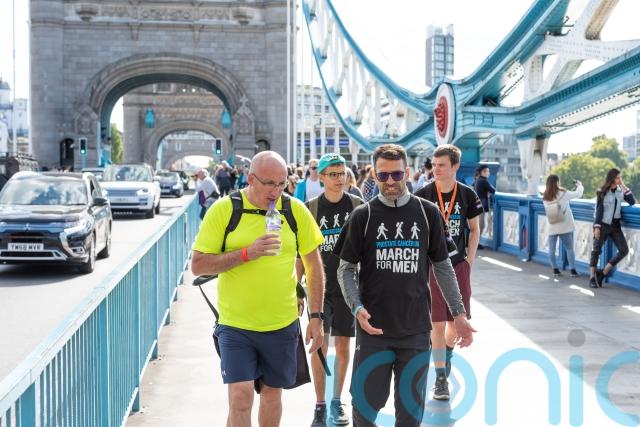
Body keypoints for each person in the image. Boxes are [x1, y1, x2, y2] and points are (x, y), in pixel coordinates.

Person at [334, 144, 476, 427]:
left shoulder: (428, 212)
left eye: (396, 175)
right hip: (373, 331)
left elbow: (443, 267)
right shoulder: (363, 216)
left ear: (407, 173)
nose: (390, 182)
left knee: (410, 416)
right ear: (374, 175)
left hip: (415, 331)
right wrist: (356, 307)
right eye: (383, 175)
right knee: (363, 409)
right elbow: (346, 269)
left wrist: (459, 314)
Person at [191, 151, 326, 427]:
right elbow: (198, 265)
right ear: (251, 179)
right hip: (236, 325)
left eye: (282, 183)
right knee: (239, 398)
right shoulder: (225, 210)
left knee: (272, 395)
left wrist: (316, 317)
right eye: (269, 184)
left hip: (281, 323)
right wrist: (245, 254)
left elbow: (314, 266)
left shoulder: (294, 210)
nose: (276, 191)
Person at [414, 144, 482, 401]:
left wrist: (469, 260)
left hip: (457, 265)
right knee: (437, 323)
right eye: (433, 164)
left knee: (455, 325)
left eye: (441, 165)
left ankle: (447, 355)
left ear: (455, 166)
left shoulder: (467, 194)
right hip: (432, 266)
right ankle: (441, 378)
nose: (436, 169)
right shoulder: (423, 195)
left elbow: (474, 229)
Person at [298, 153, 362, 427]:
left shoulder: (357, 205)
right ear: (321, 177)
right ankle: (320, 404)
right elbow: (300, 254)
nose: (339, 179)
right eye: (333, 174)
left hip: (348, 287)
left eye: (342, 173)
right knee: (319, 344)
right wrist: (297, 289)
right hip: (319, 288)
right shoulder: (310, 209)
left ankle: (337, 400)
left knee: (344, 344)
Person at [589, 168, 636, 288]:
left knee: (624, 250)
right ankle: (592, 278)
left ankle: (602, 273)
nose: (620, 179)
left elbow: (632, 202)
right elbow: (599, 210)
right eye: (618, 177)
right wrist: (597, 227)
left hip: (615, 226)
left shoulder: (620, 191)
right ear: (612, 178)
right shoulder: (602, 192)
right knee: (596, 250)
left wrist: (623, 186)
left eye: (620, 177)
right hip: (603, 224)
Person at [542, 175, 583, 277]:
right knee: (569, 249)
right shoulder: (564, 193)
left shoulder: (545, 196)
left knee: (551, 250)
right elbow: (578, 194)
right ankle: (573, 271)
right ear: (557, 182)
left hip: (552, 225)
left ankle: (555, 270)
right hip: (564, 225)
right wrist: (579, 186)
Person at [474, 165, 496, 248]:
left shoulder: (478, 180)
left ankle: (475, 243)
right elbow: (493, 190)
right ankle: (476, 243)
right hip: (482, 205)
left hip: (477, 205)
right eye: (487, 171)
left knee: (479, 225)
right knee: (481, 225)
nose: (488, 173)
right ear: (482, 172)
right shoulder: (484, 181)